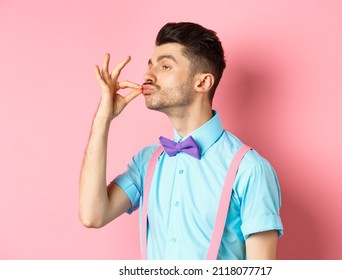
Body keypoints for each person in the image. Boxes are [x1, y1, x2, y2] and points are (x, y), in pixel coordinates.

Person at [79, 22, 283, 260]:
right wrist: (103, 118)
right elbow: (93, 215)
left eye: (165, 66)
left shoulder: (250, 169)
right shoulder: (147, 162)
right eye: (150, 65)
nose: (148, 75)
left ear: (202, 83)